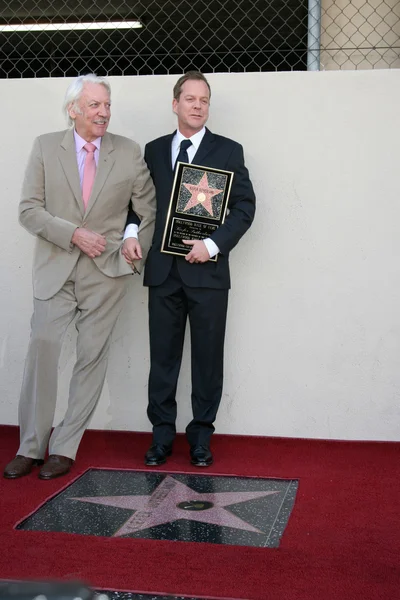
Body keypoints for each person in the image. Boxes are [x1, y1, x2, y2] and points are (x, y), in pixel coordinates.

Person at [4, 74, 156, 480]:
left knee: (91, 357)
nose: (103, 112)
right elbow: (28, 210)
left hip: (106, 272)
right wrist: (72, 232)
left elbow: (147, 209)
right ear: (73, 109)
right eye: (94, 105)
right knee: (43, 348)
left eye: (107, 105)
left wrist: (131, 241)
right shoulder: (44, 147)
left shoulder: (128, 152)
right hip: (56, 267)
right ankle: (31, 446)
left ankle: (65, 446)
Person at [123, 71, 256, 467]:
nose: (198, 106)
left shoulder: (228, 151)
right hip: (163, 273)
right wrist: (131, 232)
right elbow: (138, 204)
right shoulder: (153, 150)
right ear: (175, 103)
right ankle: (161, 437)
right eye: (191, 99)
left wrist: (211, 244)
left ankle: (201, 438)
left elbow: (245, 208)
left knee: (207, 360)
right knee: (162, 360)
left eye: (204, 100)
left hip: (209, 276)